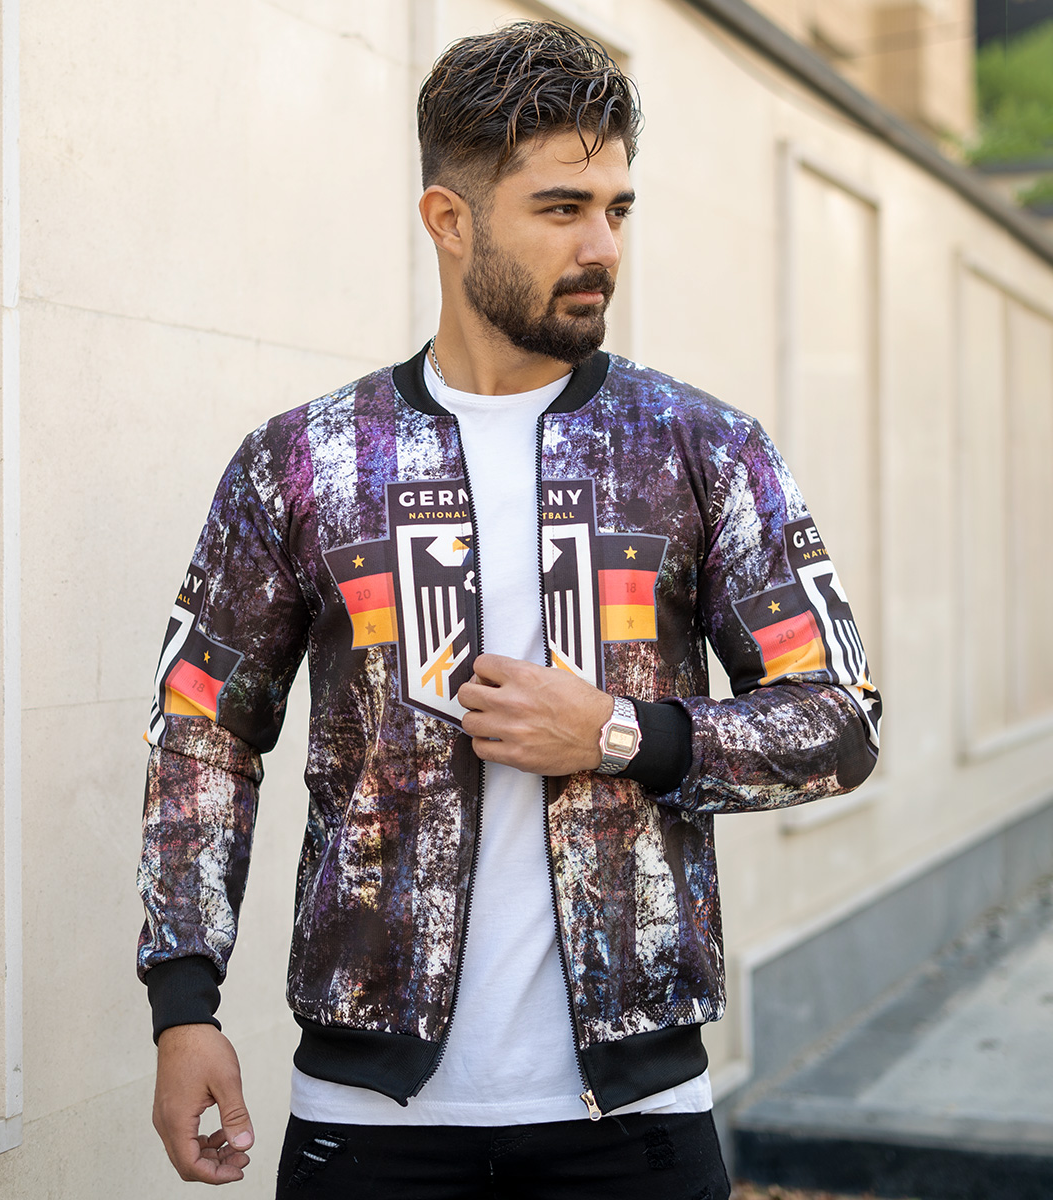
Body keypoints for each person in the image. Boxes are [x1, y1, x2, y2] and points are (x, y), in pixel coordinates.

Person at [138, 20, 882, 1198]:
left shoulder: (698, 449)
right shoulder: (310, 461)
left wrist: (624, 734)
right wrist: (185, 1004)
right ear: (450, 219)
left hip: (634, 1123)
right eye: (561, 209)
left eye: (618, 209)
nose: (603, 248)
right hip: (368, 1120)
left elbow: (841, 719)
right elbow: (203, 731)